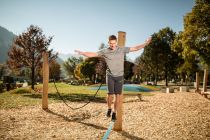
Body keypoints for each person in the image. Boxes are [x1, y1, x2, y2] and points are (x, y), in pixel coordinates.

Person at [75, 35, 151, 121]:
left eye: (114, 43)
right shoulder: (105, 51)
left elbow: (135, 48)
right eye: (111, 43)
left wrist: (146, 43)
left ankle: (114, 112)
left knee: (118, 96)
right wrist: (83, 53)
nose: (112, 45)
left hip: (119, 76)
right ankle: (109, 109)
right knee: (110, 94)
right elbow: (93, 54)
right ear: (108, 43)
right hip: (110, 75)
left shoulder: (121, 49)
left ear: (116, 42)